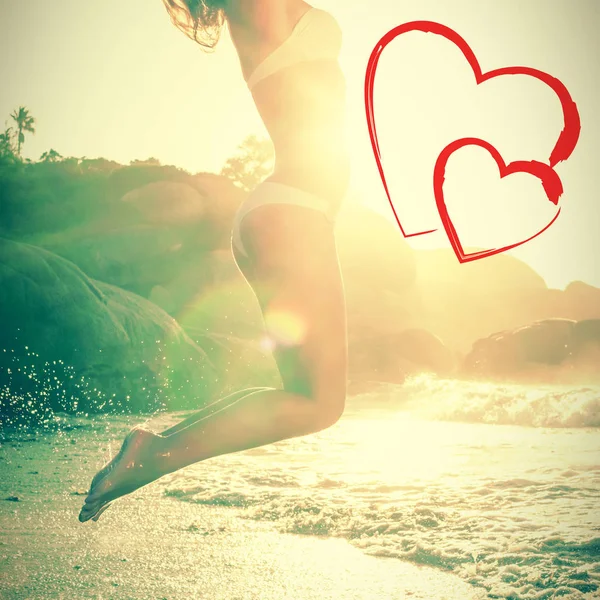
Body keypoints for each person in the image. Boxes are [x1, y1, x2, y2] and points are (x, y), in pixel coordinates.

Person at [79, 0, 351, 523]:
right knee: (319, 403)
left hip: (289, 212)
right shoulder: (258, 8)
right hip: (291, 211)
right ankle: (154, 454)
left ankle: (151, 449)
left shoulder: (251, 14)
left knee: (304, 397)